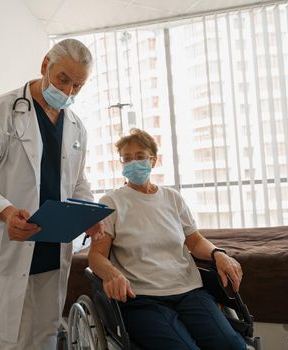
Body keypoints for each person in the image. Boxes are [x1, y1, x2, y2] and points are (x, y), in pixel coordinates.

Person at [0, 39, 103, 350]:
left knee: (46, 335)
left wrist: (89, 213)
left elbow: (76, 181)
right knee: (14, 340)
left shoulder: (76, 127)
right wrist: (5, 211)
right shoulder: (2, 112)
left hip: (52, 248)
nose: (69, 91)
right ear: (45, 65)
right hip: (13, 244)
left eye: (78, 85)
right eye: (63, 79)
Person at [88, 128, 247, 350]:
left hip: (190, 291)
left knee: (232, 346)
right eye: (127, 158)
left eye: (140, 156)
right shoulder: (112, 202)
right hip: (142, 298)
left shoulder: (172, 198)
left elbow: (195, 241)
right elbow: (96, 256)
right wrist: (112, 273)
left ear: (153, 160)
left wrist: (218, 254)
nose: (133, 162)